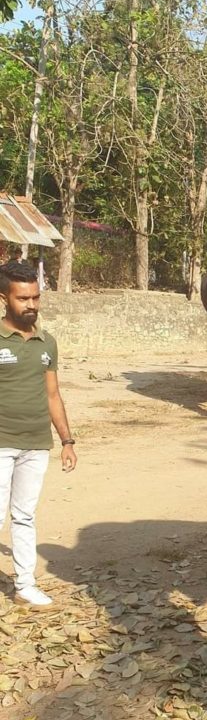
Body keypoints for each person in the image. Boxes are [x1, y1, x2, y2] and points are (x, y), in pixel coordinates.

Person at [0, 260, 77, 610]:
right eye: (22, 298)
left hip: (35, 444)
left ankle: (25, 585)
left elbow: (52, 395)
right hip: (1, 444)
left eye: (35, 297)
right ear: (4, 298)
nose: (31, 305)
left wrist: (67, 441)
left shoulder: (48, 342)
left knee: (24, 515)